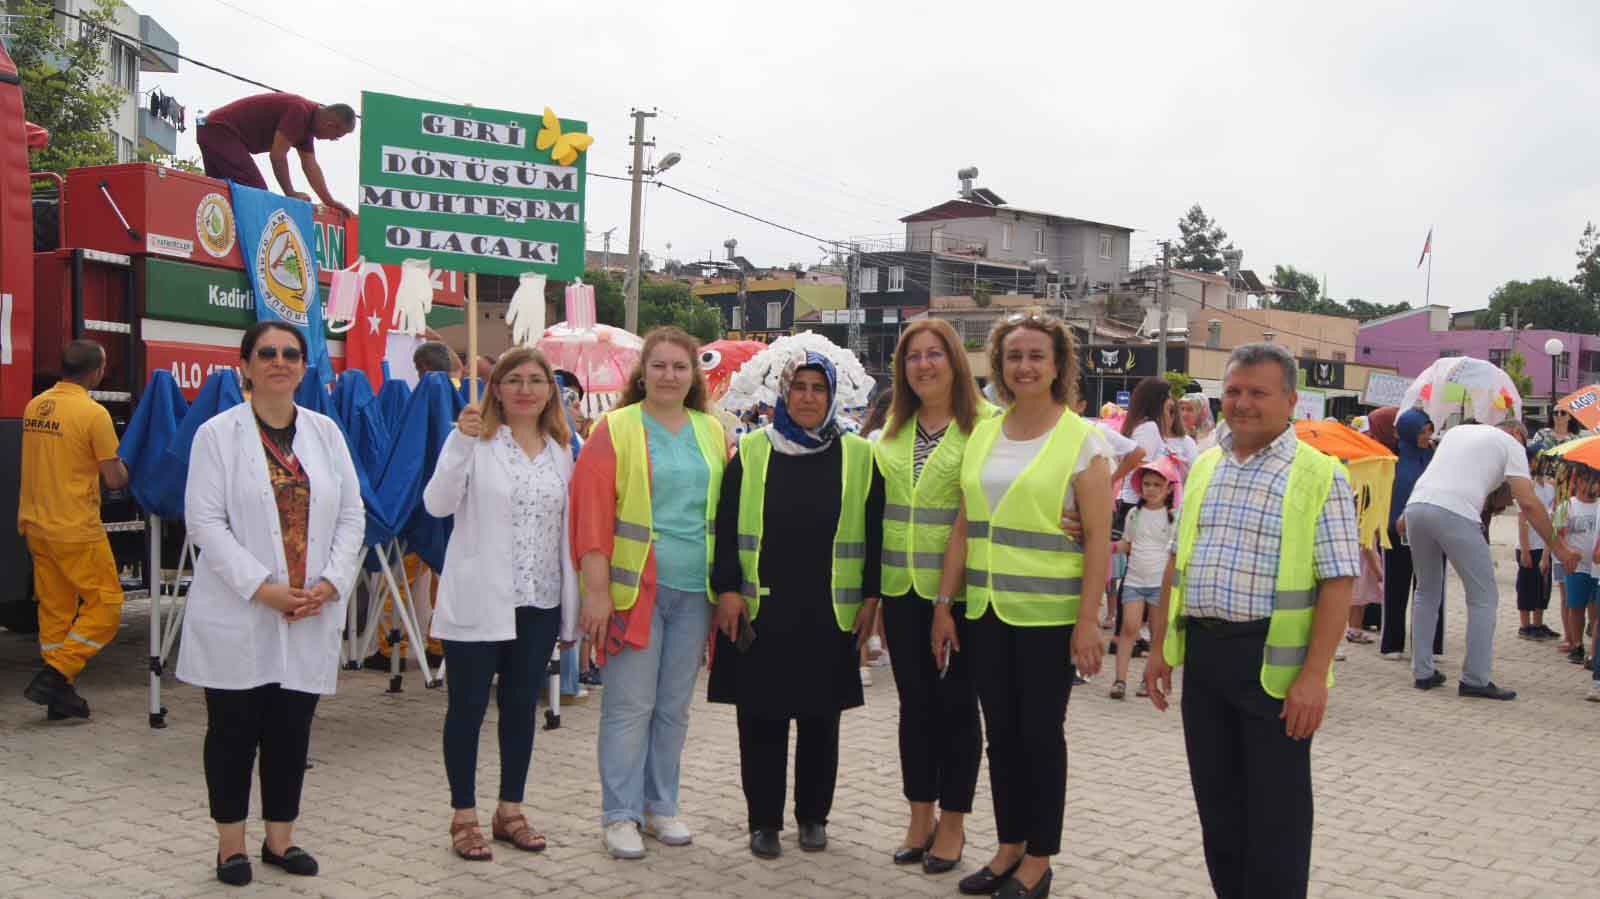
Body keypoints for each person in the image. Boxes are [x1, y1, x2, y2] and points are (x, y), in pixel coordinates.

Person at [1143, 342, 1360, 899]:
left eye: (1257, 392)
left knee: (1276, 819)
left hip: (1274, 669)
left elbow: (1338, 580)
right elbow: (1177, 558)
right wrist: (1161, 648)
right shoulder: (1207, 465)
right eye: (1233, 391)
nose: (1241, 403)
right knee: (1218, 809)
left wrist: (1314, 675)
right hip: (1207, 661)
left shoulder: (1319, 474)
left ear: (1291, 400)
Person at [177, 322, 366, 887]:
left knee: (291, 730)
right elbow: (204, 522)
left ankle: (280, 839)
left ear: (304, 368)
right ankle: (230, 845)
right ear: (246, 364)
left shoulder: (326, 433)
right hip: (242, 608)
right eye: (267, 353)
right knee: (233, 730)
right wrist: (263, 588)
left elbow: (353, 515)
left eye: (290, 354)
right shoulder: (217, 435)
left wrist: (331, 583)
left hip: (310, 606)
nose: (279, 361)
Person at [935, 313, 1111, 899]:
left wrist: (1089, 622)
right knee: (1001, 737)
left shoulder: (1082, 439)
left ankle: (1040, 857)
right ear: (1000, 365)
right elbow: (965, 524)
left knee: (1040, 735)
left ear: (1059, 365)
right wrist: (944, 603)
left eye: (1037, 355)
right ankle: (1008, 845)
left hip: (1049, 618)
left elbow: (1098, 542)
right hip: (984, 611)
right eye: (1014, 356)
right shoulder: (985, 431)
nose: (1025, 366)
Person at [710, 351, 881, 860]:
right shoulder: (753, 451)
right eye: (799, 387)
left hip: (829, 610)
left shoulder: (857, 455)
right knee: (759, 721)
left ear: (832, 397)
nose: (808, 397)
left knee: (820, 720)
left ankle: (812, 817)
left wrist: (872, 599)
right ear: (783, 394)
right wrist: (728, 589)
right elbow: (724, 527)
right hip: (762, 609)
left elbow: (873, 535)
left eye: (818, 388)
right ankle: (763, 821)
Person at [571, 327, 727, 859]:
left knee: (673, 709)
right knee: (628, 706)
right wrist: (595, 592)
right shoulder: (614, 429)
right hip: (633, 591)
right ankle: (619, 814)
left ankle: (661, 807)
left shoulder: (712, 431)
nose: (669, 376)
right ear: (642, 374)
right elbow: (591, 516)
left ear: (693, 376)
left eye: (679, 367)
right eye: (658, 366)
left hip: (694, 591)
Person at [424, 347, 579, 862]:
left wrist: (572, 608)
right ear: (496, 388)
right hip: (481, 597)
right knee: (467, 709)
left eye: (537, 380)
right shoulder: (476, 440)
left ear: (550, 391)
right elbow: (437, 504)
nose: (525, 389)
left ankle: (510, 808)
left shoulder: (562, 448)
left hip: (538, 599)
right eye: (513, 379)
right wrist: (458, 444)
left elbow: (566, 529)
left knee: (520, 708)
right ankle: (463, 815)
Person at [871, 320, 990, 873]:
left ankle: (954, 824)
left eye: (934, 353)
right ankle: (919, 813)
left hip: (962, 596)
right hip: (902, 589)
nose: (923, 364)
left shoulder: (986, 427)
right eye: (913, 356)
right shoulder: (892, 431)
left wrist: (947, 602)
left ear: (955, 361)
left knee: (958, 710)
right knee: (914, 708)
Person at [1400, 420, 1578, 701]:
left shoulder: (1457, 432)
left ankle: (1422, 672)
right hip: (1455, 512)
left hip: (1416, 506)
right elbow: (1529, 503)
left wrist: (1407, 515)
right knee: (1483, 597)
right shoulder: (1511, 446)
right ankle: (1475, 678)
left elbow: (1437, 474)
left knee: (1426, 590)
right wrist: (1561, 550)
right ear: (1517, 434)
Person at [19, 340, 129, 720]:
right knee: (108, 605)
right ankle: (57, 673)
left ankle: (60, 697)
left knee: (56, 611)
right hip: (76, 528)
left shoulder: (36, 405)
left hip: (37, 524)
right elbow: (113, 479)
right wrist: (129, 469)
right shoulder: (92, 413)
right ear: (96, 371)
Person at [367, 341, 457, 672]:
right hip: (451, 519)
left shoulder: (422, 400)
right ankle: (438, 644)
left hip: (416, 511)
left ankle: (391, 646)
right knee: (442, 582)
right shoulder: (464, 401)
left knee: (398, 582)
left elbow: (407, 460)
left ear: (422, 369)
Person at [197, 92, 356, 213]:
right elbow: (277, 156)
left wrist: (329, 201)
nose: (333, 140)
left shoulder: (308, 127)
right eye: (337, 136)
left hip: (209, 127)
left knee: (220, 193)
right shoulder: (300, 112)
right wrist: (290, 193)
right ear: (330, 125)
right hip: (219, 130)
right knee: (257, 193)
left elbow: (310, 165)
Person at [1379, 408, 1445, 661]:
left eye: (1429, 430)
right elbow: (1387, 493)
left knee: (1431, 587)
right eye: (1421, 431)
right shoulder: (1392, 458)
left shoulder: (1436, 457)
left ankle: (1431, 645)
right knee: (1396, 587)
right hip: (1398, 531)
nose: (1426, 436)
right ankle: (1392, 643)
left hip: (1432, 530)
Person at [1111, 457, 1178, 700]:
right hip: (1134, 581)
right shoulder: (1133, 515)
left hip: (1160, 585)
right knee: (1129, 628)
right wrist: (1109, 547)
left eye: (1156, 485)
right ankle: (1119, 680)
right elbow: (1128, 543)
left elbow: (1176, 553)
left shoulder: (1173, 518)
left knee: (1157, 633)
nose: (1150, 489)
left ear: (1169, 488)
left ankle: (1146, 679)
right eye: (1147, 484)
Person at [1557, 476, 1599, 665]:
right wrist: (1566, 553)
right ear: (1579, 483)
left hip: (1597, 568)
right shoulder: (1567, 507)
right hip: (1576, 566)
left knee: (1595, 610)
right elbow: (1556, 535)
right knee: (1575, 607)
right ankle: (1577, 645)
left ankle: (1593, 649)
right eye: (1590, 481)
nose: (1595, 486)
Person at [1516, 463, 1558, 641]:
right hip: (1529, 546)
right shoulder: (1526, 489)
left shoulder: (1550, 489)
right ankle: (1525, 626)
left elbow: (1553, 516)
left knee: (1542, 586)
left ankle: (1538, 623)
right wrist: (1525, 550)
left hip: (1544, 544)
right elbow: (1522, 521)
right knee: (1526, 586)